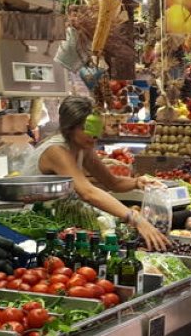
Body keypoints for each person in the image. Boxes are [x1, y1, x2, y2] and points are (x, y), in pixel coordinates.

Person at [24, 96, 168, 250]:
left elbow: (112, 182)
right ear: (69, 128)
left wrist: (137, 182)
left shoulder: (83, 147)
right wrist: (135, 219)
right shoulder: (56, 150)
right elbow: (88, 192)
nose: (95, 136)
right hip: (31, 223)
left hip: (55, 219)